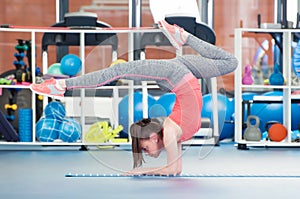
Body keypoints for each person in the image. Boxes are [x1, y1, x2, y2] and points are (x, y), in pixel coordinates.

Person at [30, 20, 238, 175]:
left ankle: (61, 85)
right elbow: (176, 170)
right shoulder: (173, 134)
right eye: (144, 150)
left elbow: (171, 169)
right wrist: (152, 170)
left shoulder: (169, 132)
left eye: (144, 148)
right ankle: (182, 37)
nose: (146, 153)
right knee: (230, 63)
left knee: (116, 72)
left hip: (174, 73)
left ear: (154, 137)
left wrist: (142, 172)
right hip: (184, 74)